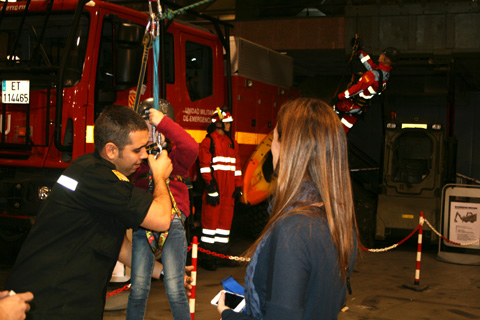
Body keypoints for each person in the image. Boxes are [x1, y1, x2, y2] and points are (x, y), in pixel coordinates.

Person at [5, 105, 174, 320]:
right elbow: (161, 219)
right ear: (111, 150)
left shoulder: (88, 168)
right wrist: (160, 177)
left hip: (62, 299)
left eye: (146, 147)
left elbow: (119, 246)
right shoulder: (100, 179)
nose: (144, 156)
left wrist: (165, 273)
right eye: (137, 150)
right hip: (53, 303)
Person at [217, 98, 359, 319]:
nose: (271, 150)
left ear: (288, 150)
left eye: (274, 139)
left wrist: (228, 314)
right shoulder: (339, 222)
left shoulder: (293, 229)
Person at [126, 99, 198, 320]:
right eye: (146, 129)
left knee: (175, 289)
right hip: (145, 223)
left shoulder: (175, 160)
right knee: (138, 288)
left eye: (155, 129)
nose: (151, 134)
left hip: (172, 223)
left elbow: (191, 146)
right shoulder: (140, 164)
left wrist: (163, 122)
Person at [198, 108, 242, 271]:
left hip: (229, 191)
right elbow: (204, 166)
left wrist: (238, 186)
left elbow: (237, 167)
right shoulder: (209, 141)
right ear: (219, 123)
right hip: (215, 189)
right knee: (210, 225)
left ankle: (221, 256)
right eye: (227, 122)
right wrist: (210, 186)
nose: (230, 125)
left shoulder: (232, 143)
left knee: (224, 225)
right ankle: (207, 257)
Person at [332, 42, 399, 132]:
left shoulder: (372, 76)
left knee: (330, 110)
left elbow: (356, 89)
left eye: (383, 54)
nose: (380, 55)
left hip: (351, 104)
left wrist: (339, 97)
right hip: (359, 108)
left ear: (387, 60)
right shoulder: (384, 74)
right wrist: (359, 52)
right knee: (343, 129)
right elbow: (370, 65)